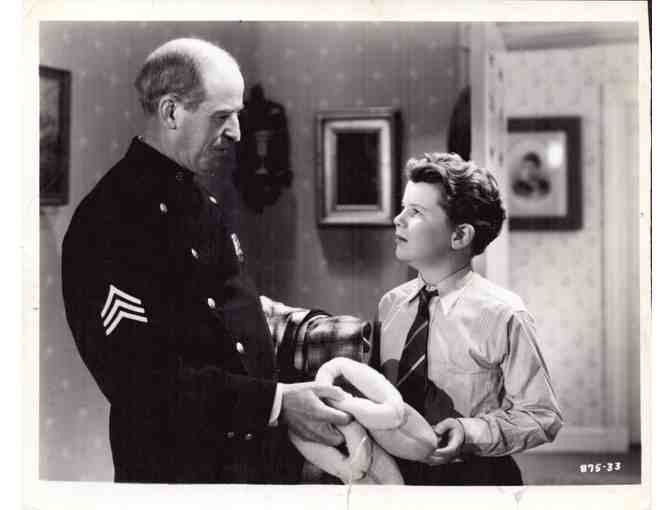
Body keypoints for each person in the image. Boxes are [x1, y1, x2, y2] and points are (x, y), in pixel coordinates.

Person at [61, 38, 352, 483]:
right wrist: (275, 403)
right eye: (221, 117)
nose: (237, 132)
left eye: (237, 115)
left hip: (252, 467)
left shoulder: (201, 202)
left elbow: (230, 327)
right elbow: (140, 384)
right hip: (178, 478)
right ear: (171, 112)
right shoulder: (109, 220)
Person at [371, 152, 562, 485]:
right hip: (395, 476)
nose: (398, 219)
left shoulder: (503, 314)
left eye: (415, 211)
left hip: (476, 478)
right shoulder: (391, 305)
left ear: (459, 236)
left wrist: (469, 431)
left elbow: (542, 415)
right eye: (403, 208)